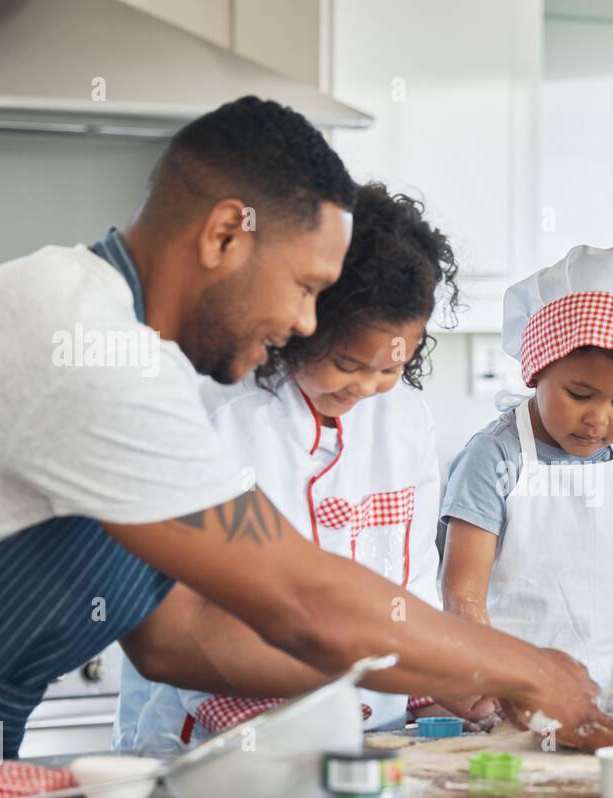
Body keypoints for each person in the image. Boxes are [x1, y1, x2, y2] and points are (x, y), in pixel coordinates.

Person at [0, 96, 613, 763]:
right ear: (222, 236)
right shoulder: (91, 348)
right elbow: (301, 599)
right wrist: (527, 671)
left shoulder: (127, 349)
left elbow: (176, 637)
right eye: (305, 286)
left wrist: (432, 675)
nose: (306, 323)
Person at [116, 182, 482, 753]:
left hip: (375, 732)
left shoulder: (405, 419)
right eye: (345, 364)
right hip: (216, 735)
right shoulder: (222, 414)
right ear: (301, 323)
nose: (366, 387)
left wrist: (434, 687)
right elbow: (189, 621)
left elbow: (408, 584)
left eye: (391, 366)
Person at [440, 244, 613, 720]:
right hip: (510, 705)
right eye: (579, 394)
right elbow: (463, 593)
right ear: (538, 367)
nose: (597, 420)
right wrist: (499, 682)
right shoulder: (494, 457)